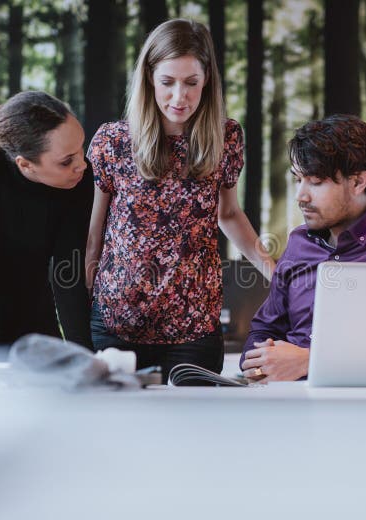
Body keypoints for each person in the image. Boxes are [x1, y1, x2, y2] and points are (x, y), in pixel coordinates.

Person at [86, 19, 275, 381]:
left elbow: (229, 213)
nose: (179, 97)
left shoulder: (226, 136)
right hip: (116, 324)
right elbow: (94, 233)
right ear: (149, 79)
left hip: (194, 327)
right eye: (167, 83)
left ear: (207, 81)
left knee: (195, 432)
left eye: (191, 83)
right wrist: (85, 301)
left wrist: (273, 271)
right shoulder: (112, 141)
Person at [240, 114, 366, 382]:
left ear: (358, 181)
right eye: (297, 179)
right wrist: (260, 365)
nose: (300, 196)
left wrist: (311, 361)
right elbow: (264, 328)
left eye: (315, 182)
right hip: (287, 405)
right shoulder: (298, 242)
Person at [0, 91, 93, 347]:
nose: (82, 164)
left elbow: (67, 273)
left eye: (81, 149)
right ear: (25, 165)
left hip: (36, 323)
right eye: (67, 161)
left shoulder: (78, 180)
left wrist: (84, 355)